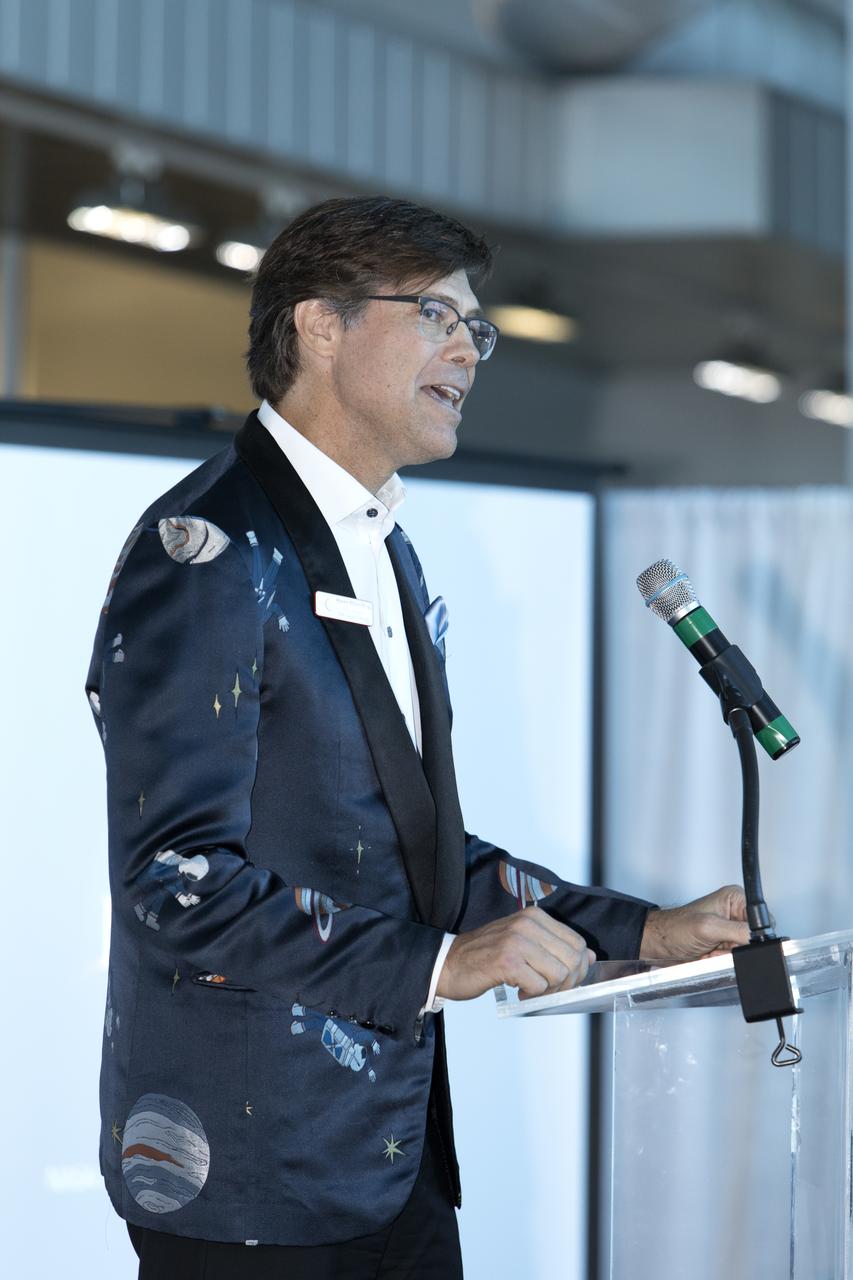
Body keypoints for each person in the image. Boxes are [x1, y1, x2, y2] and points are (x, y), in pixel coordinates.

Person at [86, 195, 749, 1279]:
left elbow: (409, 855)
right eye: (437, 314)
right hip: (251, 1181)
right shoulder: (206, 551)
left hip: (388, 1160)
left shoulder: (383, 551)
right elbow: (178, 877)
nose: (468, 349)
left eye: (475, 327)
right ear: (319, 325)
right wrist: (439, 961)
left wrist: (646, 933)